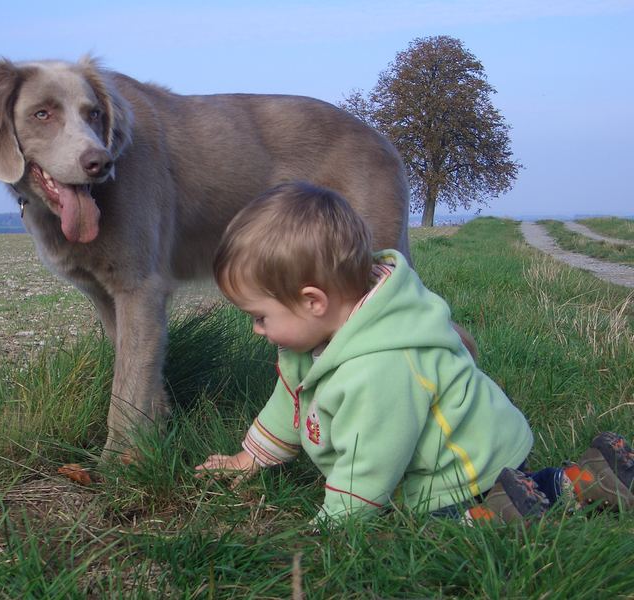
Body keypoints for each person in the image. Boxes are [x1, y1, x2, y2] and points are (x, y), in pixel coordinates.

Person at [194, 181, 634, 525]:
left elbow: (372, 459)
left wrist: (334, 527)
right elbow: (288, 401)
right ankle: (567, 481)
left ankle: (566, 486)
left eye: (259, 316)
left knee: (446, 524)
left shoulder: (380, 366)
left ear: (313, 301)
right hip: (450, 457)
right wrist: (249, 457)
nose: (256, 330)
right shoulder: (308, 342)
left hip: (467, 466)